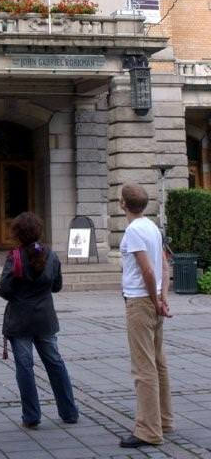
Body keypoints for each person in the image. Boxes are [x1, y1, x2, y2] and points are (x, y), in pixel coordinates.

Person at [0, 212, 78, 429]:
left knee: (24, 367)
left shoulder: (14, 257)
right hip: (45, 318)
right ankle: (69, 411)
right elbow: (57, 286)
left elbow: (4, 289)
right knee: (55, 362)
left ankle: (31, 416)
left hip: (20, 319)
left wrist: (18, 295)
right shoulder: (51, 255)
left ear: (17, 234)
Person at [119, 183, 173, 449]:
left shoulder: (133, 231)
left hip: (140, 301)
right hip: (153, 300)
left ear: (122, 204)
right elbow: (164, 264)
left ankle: (148, 430)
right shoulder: (152, 227)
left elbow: (148, 270)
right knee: (158, 362)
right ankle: (163, 419)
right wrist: (164, 298)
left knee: (144, 367)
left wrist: (154, 300)